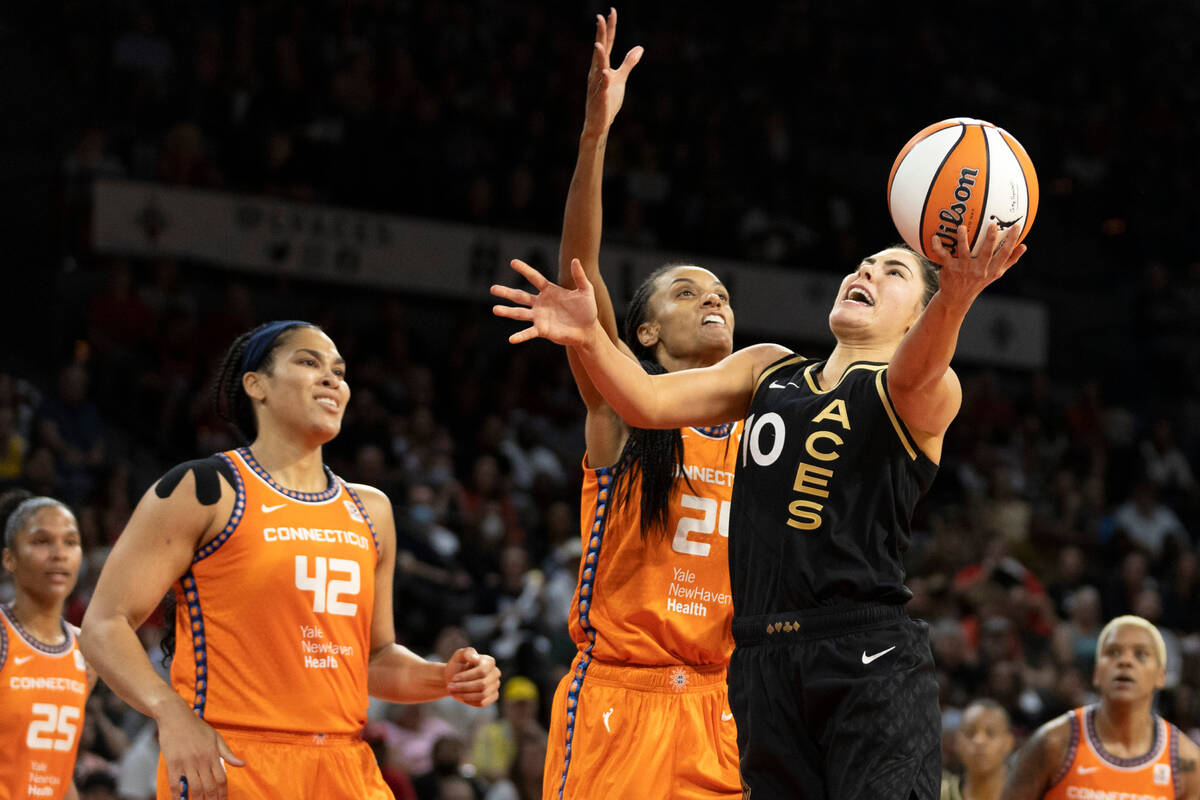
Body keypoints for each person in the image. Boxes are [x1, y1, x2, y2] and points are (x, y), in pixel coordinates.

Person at [492, 200, 1028, 797]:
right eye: (864, 264)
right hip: (761, 661)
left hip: (864, 650)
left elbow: (913, 374)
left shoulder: (924, 390)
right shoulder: (768, 370)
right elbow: (644, 401)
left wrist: (956, 296)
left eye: (893, 272)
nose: (866, 272)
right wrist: (590, 335)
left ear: (916, 320)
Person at [79, 321, 501, 800]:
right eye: (309, 362)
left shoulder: (372, 510)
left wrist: (443, 678)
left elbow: (373, 659)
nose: (332, 379)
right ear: (256, 384)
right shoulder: (206, 488)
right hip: (234, 762)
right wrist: (170, 712)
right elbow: (104, 624)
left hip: (345, 765)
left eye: (339, 371)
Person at [537, 10, 741, 799]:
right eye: (687, 291)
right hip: (621, 693)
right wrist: (594, 139)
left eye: (721, 292)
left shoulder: (766, 429)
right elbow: (580, 272)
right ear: (647, 329)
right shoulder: (624, 408)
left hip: (722, 701)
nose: (712, 298)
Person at [1000, 615, 1200, 800]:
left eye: (1140, 654)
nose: (1125, 661)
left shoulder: (1187, 761)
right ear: (1097, 673)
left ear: (1161, 676)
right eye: (1113, 652)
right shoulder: (1052, 742)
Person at [1, 489, 95, 800]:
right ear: (9, 559)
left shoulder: (88, 650)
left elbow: (57, 769)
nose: (59, 553)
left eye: (70, 542)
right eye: (42, 541)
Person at [942, 699, 1015, 800]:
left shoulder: (1029, 794)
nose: (979, 741)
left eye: (990, 733)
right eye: (970, 733)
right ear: (958, 741)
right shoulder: (938, 794)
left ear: (1008, 742)